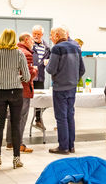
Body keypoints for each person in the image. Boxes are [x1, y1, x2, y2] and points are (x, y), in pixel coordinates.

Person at [0, 29, 30, 168]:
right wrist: (18, 78)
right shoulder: (19, 54)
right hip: (16, 92)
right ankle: (16, 159)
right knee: (16, 124)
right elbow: (27, 77)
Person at [46, 26, 85, 154]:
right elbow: (82, 69)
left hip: (60, 88)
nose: (51, 37)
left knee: (61, 118)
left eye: (52, 35)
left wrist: (47, 64)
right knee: (70, 116)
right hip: (72, 88)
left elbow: (51, 70)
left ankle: (63, 147)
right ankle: (71, 145)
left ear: (57, 36)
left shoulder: (57, 48)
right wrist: (73, 79)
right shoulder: (76, 47)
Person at [6, 32, 38, 153]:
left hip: (11, 88)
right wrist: (35, 71)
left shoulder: (12, 51)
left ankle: (10, 142)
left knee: (11, 116)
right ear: (26, 40)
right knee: (21, 117)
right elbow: (27, 75)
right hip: (23, 90)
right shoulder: (26, 54)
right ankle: (18, 143)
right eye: (32, 41)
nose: (33, 43)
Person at [32, 25, 51, 130]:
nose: (35, 36)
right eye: (34, 33)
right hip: (29, 77)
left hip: (40, 77)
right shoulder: (29, 45)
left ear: (42, 35)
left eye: (38, 34)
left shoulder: (47, 47)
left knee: (39, 99)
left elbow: (49, 60)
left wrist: (48, 62)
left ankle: (38, 119)